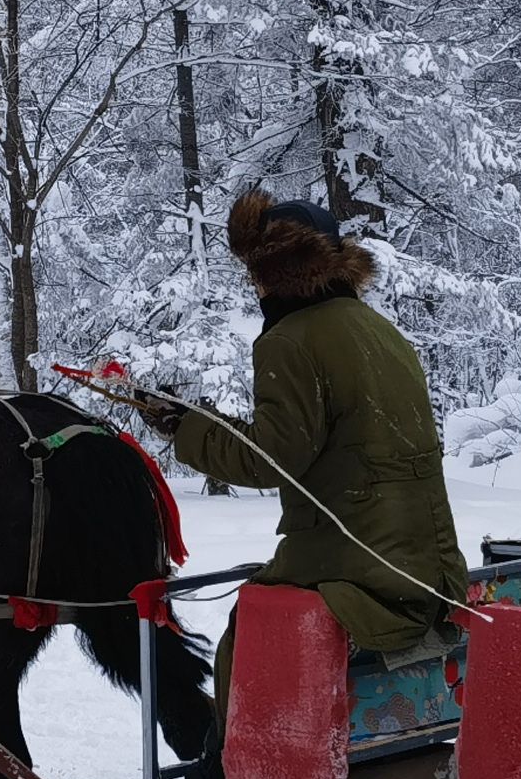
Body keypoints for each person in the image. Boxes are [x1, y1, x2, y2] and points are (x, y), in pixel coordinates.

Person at [148, 186, 471, 656]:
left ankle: (231, 734)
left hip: (358, 563)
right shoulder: (379, 329)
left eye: (253, 274)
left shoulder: (290, 339)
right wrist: (202, 421)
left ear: (272, 273)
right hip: (428, 560)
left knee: (247, 645)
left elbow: (271, 460)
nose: (252, 286)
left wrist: (187, 428)